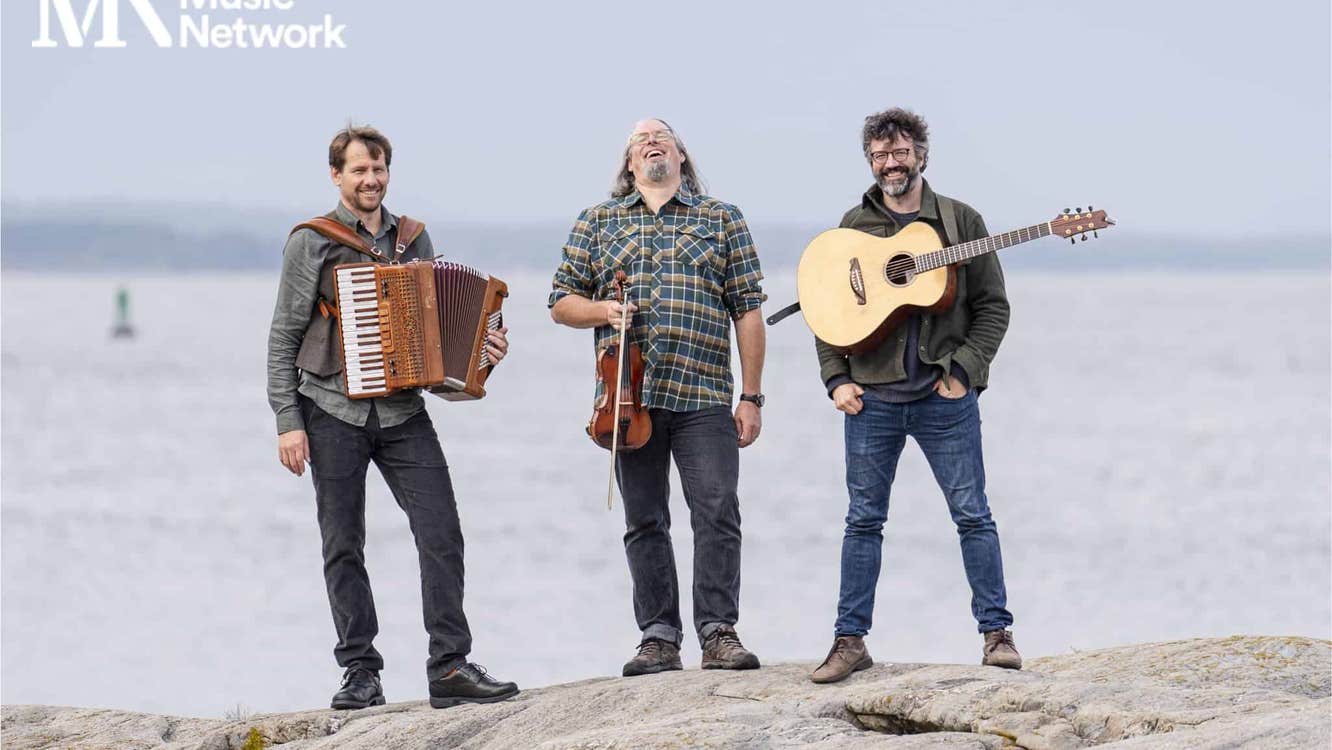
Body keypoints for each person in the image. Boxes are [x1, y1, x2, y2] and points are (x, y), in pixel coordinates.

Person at [266, 125, 518, 709]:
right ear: (337, 175)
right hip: (330, 410)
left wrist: (482, 354)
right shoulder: (312, 242)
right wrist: (287, 420)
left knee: (442, 532)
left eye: (377, 170)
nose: (370, 180)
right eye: (358, 171)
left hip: (404, 413)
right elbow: (283, 337)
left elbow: (435, 350)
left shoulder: (413, 240)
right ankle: (361, 672)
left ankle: (449, 666)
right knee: (343, 544)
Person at [809, 108, 1022, 684]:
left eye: (900, 152)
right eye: (879, 155)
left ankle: (996, 634)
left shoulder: (958, 221)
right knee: (863, 521)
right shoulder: (854, 223)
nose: (890, 163)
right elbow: (826, 310)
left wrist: (967, 371)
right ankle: (849, 641)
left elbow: (992, 308)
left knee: (972, 515)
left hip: (942, 395)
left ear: (921, 155)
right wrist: (836, 379)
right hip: (871, 398)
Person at [549, 118, 768, 677]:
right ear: (629, 164)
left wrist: (751, 396)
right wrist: (604, 310)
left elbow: (747, 308)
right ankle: (658, 637)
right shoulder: (598, 222)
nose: (651, 141)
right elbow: (561, 301)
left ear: (680, 155)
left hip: (703, 393)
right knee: (645, 519)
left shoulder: (722, 218)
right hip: (630, 399)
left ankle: (718, 631)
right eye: (640, 139)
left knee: (717, 511)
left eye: (662, 136)